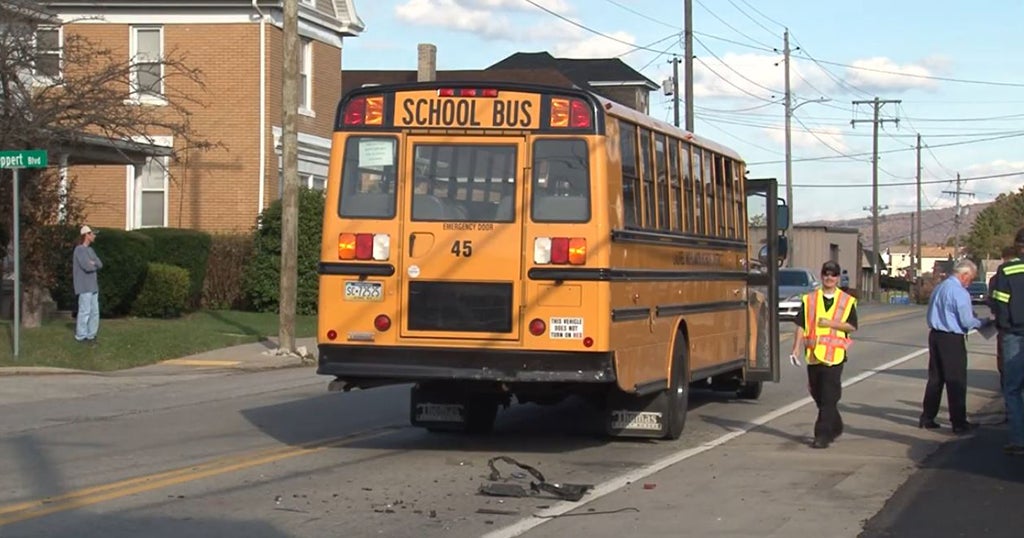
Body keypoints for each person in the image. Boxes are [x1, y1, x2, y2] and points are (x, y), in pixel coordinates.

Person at [789, 260, 859, 449]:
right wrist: (795, 347)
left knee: (829, 396)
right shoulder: (810, 299)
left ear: (837, 278)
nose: (829, 278)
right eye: (826, 274)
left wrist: (831, 324)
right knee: (818, 394)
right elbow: (801, 324)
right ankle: (835, 424)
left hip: (835, 355)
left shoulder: (846, 301)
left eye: (833, 275)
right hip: (813, 354)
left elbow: (852, 326)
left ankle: (822, 435)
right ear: (821, 276)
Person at [920, 259, 986, 434]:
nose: (969, 283)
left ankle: (927, 417)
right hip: (952, 338)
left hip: (935, 335)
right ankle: (958, 422)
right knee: (956, 380)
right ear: (964, 275)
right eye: (970, 279)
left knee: (935, 378)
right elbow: (966, 321)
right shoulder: (959, 292)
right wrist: (982, 322)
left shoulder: (940, 287)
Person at [991, 229, 1024, 455]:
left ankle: (1018, 440)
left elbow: (1000, 303)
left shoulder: (1007, 270)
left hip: (1014, 333)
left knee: (1012, 389)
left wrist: (1004, 326)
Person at [988, 245, 1017, 424]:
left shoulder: (1001, 275)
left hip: (1009, 331)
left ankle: (1012, 418)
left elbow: (996, 303)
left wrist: (1002, 323)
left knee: (1009, 377)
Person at [73, 225, 103, 344]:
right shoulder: (79, 249)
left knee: (95, 312)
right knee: (85, 311)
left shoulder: (90, 250)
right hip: (84, 285)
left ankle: (91, 335)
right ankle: (81, 335)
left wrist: (93, 262)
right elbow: (86, 266)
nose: (94, 236)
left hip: (93, 286)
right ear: (86, 235)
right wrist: (92, 263)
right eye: (92, 234)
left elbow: (99, 264)